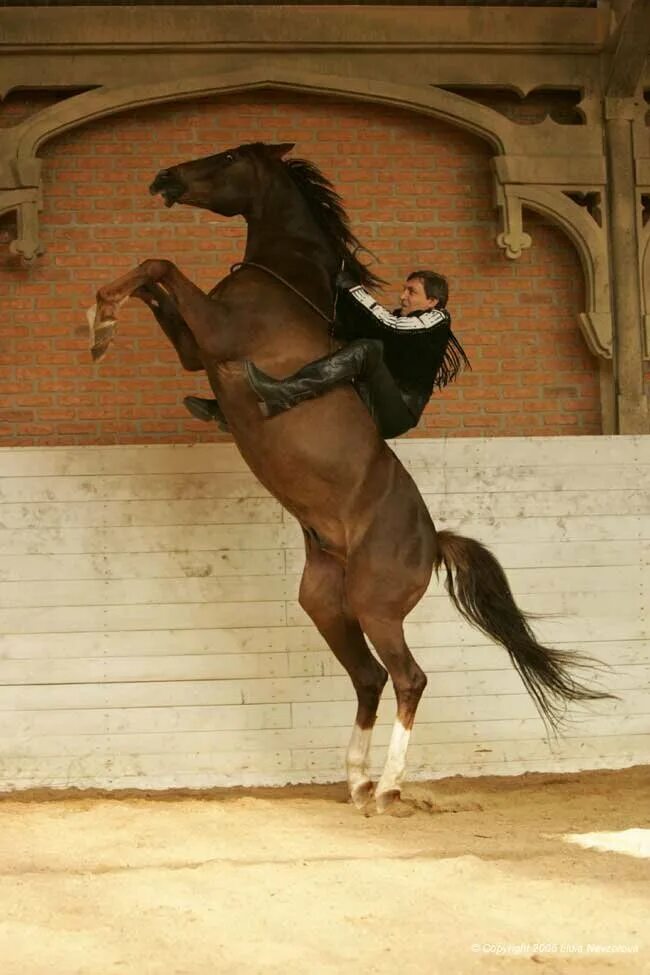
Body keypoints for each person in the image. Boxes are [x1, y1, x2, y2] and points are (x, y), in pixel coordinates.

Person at [184, 269, 469, 439]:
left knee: (368, 349)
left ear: (432, 301)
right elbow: (373, 324)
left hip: (398, 411)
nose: (403, 296)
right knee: (332, 355)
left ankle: (281, 393)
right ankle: (231, 411)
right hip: (373, 393)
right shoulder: (407, 319)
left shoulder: (436, 320)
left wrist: (354, 289)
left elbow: (390, 325)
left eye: (412, 292)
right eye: (405, 289)